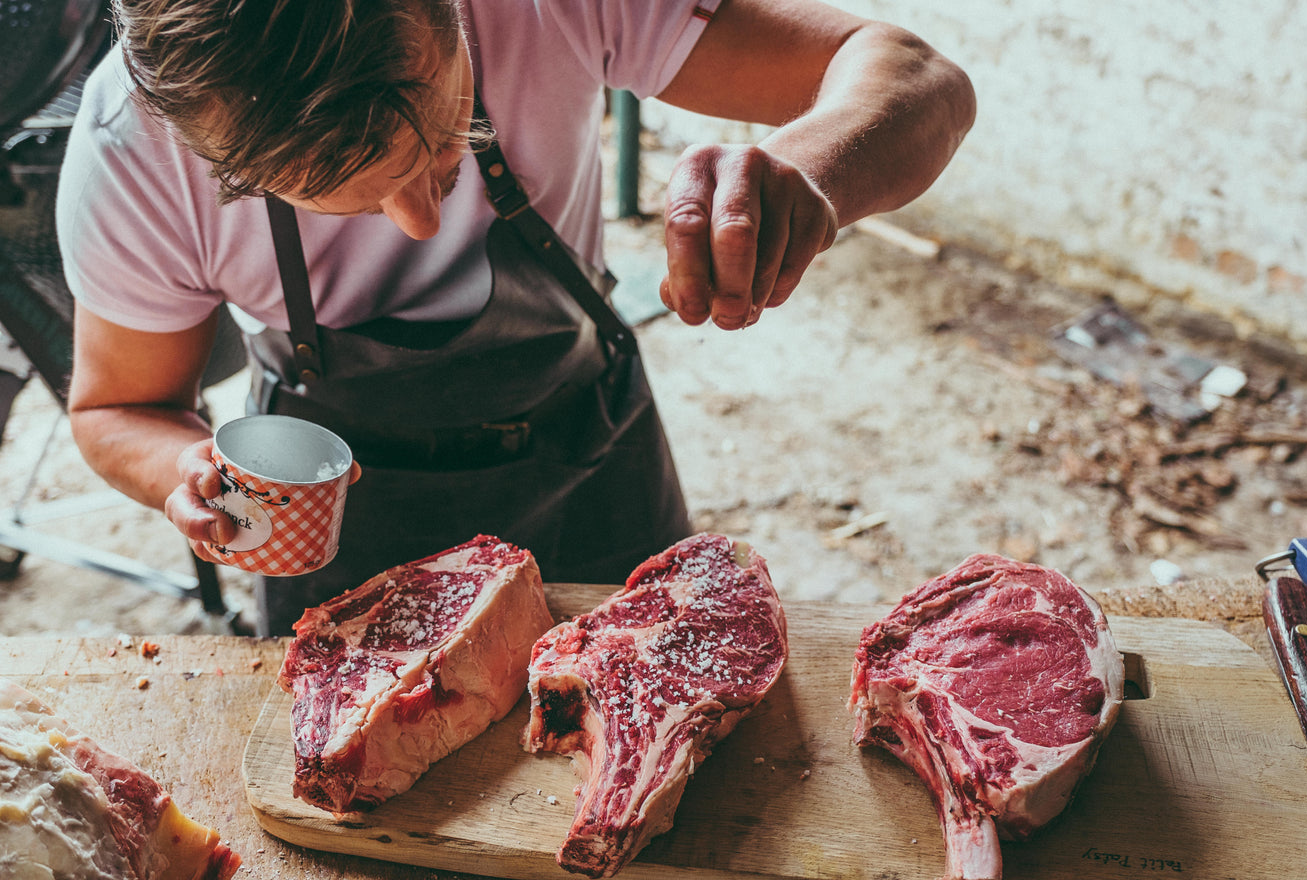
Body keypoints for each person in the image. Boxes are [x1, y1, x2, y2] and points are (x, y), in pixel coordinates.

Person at [57, 0, 975, 635]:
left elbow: (920, 78)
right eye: (350, 199)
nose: (422, 225)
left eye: (444, 145)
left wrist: (805, 168)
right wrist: (185, 470)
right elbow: (115, 409)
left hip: (592, 455)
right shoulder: (131, 152)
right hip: (352, 532)